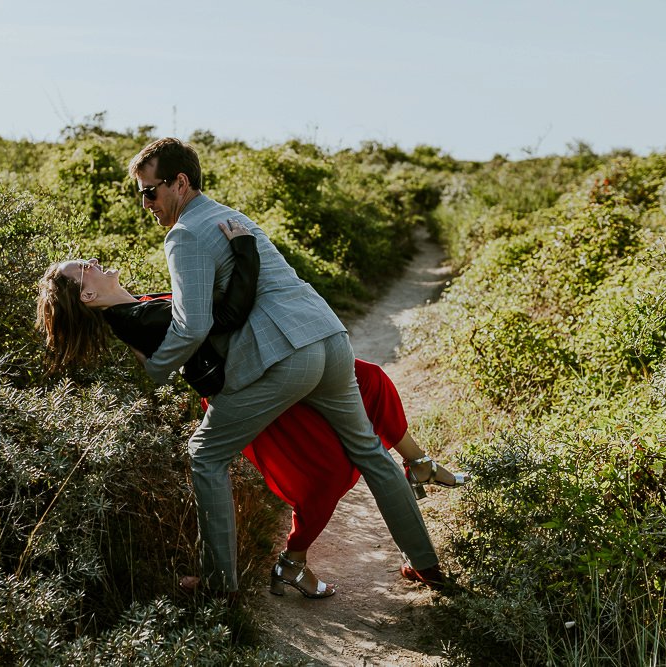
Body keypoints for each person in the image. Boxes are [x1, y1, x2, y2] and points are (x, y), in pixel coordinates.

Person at [35, 221, 468, 598]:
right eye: (83, 269)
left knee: (367, 386)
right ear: (87, 294)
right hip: (253, 382)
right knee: (226, 458)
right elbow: (226, 314)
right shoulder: (135, 319)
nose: (92, 262)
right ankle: (225, 581)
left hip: (269, 363)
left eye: (86, 259)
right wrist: (244, 247)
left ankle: (414, 514)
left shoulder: (136, 310)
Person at [122, 137, 451, 598]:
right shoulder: (233, 217)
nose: (144, 203)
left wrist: (156, 369)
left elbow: (190, 324)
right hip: (328, 337)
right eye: (139, 193)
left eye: (149, 191)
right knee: (372, 455)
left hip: (285, 355)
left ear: (180, 182)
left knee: (205, 454)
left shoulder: (184, 234)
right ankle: (428, 567)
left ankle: (219, 587)